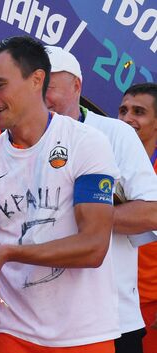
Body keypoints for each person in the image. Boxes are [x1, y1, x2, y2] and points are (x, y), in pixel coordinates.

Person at [0, 36, 122, 353]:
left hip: (85, 335)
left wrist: (11, 253)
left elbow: (93, 248)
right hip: (13, 334)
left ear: (36, 80)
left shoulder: (86, 143)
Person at [45, 46, 157, 353]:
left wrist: (79, 214)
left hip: (111, 319)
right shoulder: (13, 142)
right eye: (32, 83)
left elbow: (151, 214)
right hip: (37, 321)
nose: (40, 94)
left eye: (49, 86)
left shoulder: (115, 134)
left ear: (76, 87)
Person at [118, 82, 157, 353]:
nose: (127, 118)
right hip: (112, 303)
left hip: (151, 305)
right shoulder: (103, 160)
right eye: (123, 110)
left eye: (138, 111)